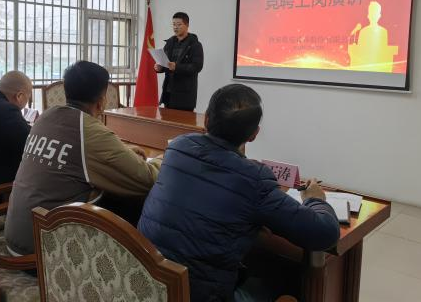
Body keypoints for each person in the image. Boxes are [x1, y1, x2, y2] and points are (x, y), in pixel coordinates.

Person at [138, 84, 340, 302]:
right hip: (200, 295)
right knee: (283, 279)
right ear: (254, 134)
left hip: (147, 285)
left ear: (206, 119)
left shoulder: (178, 147)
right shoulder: (255, 180)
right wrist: (315, 199)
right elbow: (325, 234)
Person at [5, 61, 161, 256]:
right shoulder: (89, 131)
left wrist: (123, 150)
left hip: (17, 238)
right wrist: (164, 158)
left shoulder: (46, 117)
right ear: (101, 101)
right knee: (133, 197)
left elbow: (77, 149)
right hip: (46, 253)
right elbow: (147, 178)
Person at [155, 12, 203, 111]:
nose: (175, 27)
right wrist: (159, 68)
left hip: (184, 96)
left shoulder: (195, 44)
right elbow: (166, 63)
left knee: (183, 120)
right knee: (166, 120)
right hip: (168, 93)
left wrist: (177, 67)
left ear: (187, 25)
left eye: (179, 24)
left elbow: (197, 66)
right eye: (174, 24)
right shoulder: (170, 43)